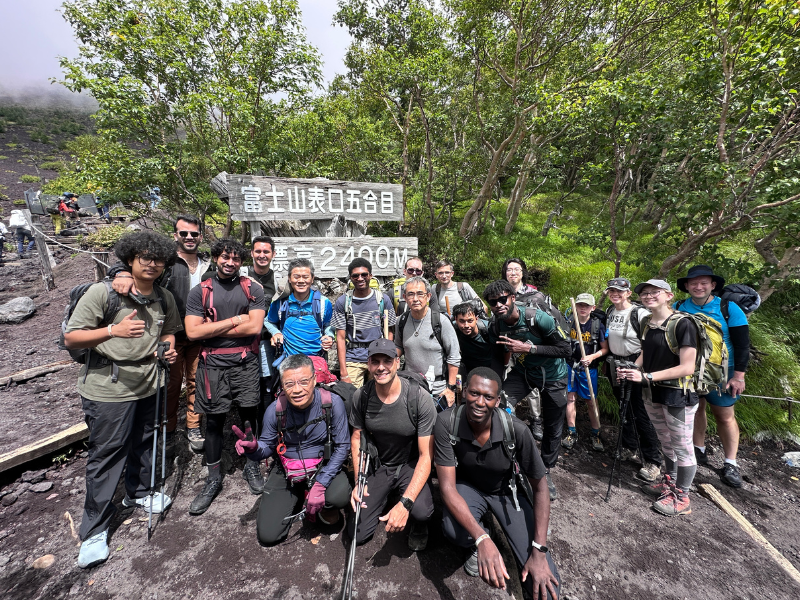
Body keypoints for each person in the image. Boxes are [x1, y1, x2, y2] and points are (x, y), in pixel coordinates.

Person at [64, 230, 181, 568]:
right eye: (145, 258)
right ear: (130, 259)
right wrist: (113, 331)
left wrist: (166, 350)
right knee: (107, 453)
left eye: (159, 259)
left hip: (149, 381)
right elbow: (72, 337)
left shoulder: (164, 297)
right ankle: (94, 529)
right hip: (108, 387)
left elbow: (168, 331)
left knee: (146, 441)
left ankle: (139, 492)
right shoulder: (103, 293)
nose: (153, 264)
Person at [436, 367, 560, 598]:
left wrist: (539, 551)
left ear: (498, 400)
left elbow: (541, 488)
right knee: (454, 531)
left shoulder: (517, 430)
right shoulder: (447, 422)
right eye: (474, 393)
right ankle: (483, 531)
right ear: (464, 391)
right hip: (467, 488)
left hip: (506, 493)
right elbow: (447, 487)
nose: (479, 402)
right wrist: (482, 538)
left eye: (488, 397)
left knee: (545, 587)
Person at [111, 215, 213, 453]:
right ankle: (168, 427)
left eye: (194, 234)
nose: (189, 237)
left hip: (200, 333)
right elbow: (127, 263)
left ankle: (193, 425)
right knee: (170, 384)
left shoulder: (209, 263)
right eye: (184, 233)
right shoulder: (164, 260)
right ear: (175, 235)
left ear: (201, 236)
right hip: (170, 332)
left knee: (197, 381)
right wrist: (121, 273)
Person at [184, 238, 267, 515]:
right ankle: (213, 478)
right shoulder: (200, 291)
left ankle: (252, 465)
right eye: (225, 257)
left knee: (249, 414)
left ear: (241, 261)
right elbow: (192, 332)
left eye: (235, 259)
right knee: (213, 420)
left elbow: (254, 328)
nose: (230, 263)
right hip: (212, 365)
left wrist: (212, 328)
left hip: (245, 362)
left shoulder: (252, 288)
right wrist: (235, 320)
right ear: (216, 257)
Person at [233, 354, 352, 544]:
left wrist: (321, 484)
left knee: (338, 497)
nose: (297, 390)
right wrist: (254, 450)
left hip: (322, 464)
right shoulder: (275, 410)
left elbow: (342, 446)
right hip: (287, 468)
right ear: (282, 385)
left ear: (314, 379)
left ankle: (320, 502)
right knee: (268, 536)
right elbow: (266, 447)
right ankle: (299, 496)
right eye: (289, 384)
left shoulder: (331, 403)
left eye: (304, 381)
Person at [617, 279, 699, 517]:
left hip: (678, 394)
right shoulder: (647, 322)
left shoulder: (683, 324)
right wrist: (633, 368)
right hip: (652, 392)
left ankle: (682, 497)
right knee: (666, 441)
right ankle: (669, 483)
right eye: (644, 293)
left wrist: (647, 376)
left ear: (669, 295)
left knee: (682, 447)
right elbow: (646, 351)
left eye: (655, 292)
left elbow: (688, 367)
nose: (648, 296)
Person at [483, 280, 570, 500]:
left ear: (512, 297)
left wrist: (529, 348)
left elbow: (565, 349)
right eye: (493, 302)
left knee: (553, 425)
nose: (499, 305)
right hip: (524, 373)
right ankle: (509, 458)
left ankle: (545, 470)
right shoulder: (496, 325)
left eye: (502, 299)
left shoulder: (537, 318)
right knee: (499, 405)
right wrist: (494, 385)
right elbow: (497, 357)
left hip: (553, 375)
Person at [348, 339, 436, 551]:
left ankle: (417, 522)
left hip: (410, 464)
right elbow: (357, 439)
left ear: (397, 362)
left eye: (387, 361)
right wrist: (359, 481)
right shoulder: (362, 396)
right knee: (357, 533)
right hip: (381, 464)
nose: (381, 367)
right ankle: (387, 494)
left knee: (421, 511)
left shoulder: (418, 398)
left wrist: (406, 503)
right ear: (368, 364)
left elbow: (426, 455)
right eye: (375, 361)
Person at [675, 265, 749, 488]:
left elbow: (742, 344)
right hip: (690, 368)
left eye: (703, 283)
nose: (698, 287)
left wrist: (739, 376)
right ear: (687, 286)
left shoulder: (729, 308)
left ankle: (731, 462)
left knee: (724, 415)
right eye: (693, 283)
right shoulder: (678, 307)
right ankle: (698, 449)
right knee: (695, 409)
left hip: (722, 370)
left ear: (713, 285)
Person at [604, 277, 662, 482]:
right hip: (615, 364)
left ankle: (653, 461)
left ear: (628, 293)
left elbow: (650, 345)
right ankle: (629, 446)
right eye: (612, 291)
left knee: (641, 411)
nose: (615, 294)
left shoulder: (640, 314)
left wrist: (635, 367)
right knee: (623, 408)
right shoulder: (611, 312)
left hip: (635, 364)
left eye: (620, 291)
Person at [395, 276, 461, 409]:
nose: (415, 299)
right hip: (410, 386)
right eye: (411, 294)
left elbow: (454, 356)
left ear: (428, 296)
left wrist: (450, 388)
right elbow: (398, 346)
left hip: (438, 389)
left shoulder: (440, 321)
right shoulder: (401, 321)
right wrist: (388, 359)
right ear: (405, 297)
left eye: (420, 294)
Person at [332, 257, 397, 388]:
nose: (360, 278)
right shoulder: (343, 302)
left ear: (370, 276)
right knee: (351, 395)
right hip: (353, 358)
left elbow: (390, 330)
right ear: (350, 278)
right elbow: (340, 337)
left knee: (380, 394)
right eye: (355, 276)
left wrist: (388, 357)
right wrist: (343, 373)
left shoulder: (382, 299)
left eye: (364, 274)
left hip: (378, 356)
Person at [563, 293, 608, 452]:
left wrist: (592, 357)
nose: (583, 308)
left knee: (591, 401)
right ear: (575, 306)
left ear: (593, 308)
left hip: (589, 369)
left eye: (586, 306)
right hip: (570, 366)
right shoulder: (569, 322)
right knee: (570, 398)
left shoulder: (597, 325)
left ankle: (596, 433)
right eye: (580, 305)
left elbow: (605, 349)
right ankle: (571, 432)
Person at [266, 258, 334, 358]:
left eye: (305, 277)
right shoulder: (280, 302)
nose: (301, 281)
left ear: (312, 279)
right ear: (289, 278)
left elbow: (329, 324)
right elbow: (268, 321)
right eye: (296, 277)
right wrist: (276, 333)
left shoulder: (323, 302)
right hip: (289, 360)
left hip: (316, 359)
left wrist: (329, 336)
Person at [240, 236, 277, 407]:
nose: (262, 255)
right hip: (241, 339)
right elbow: (210, 275)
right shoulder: (241, 274)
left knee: (267, 384)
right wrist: (243, 279)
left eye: (266, 251)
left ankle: (265, 422)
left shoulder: (278, 280)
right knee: (245, 384)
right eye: (258, 251)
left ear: (273, 254)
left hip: (265, 340)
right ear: (252, 253)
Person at [452, 301, 492, 374]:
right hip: (467, 368)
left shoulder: (489, 329)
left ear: (476, 319)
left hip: (488, 367)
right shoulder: (453, 328)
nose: (466, 325)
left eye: (470, 321)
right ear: (456, 320)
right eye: (462, 321)